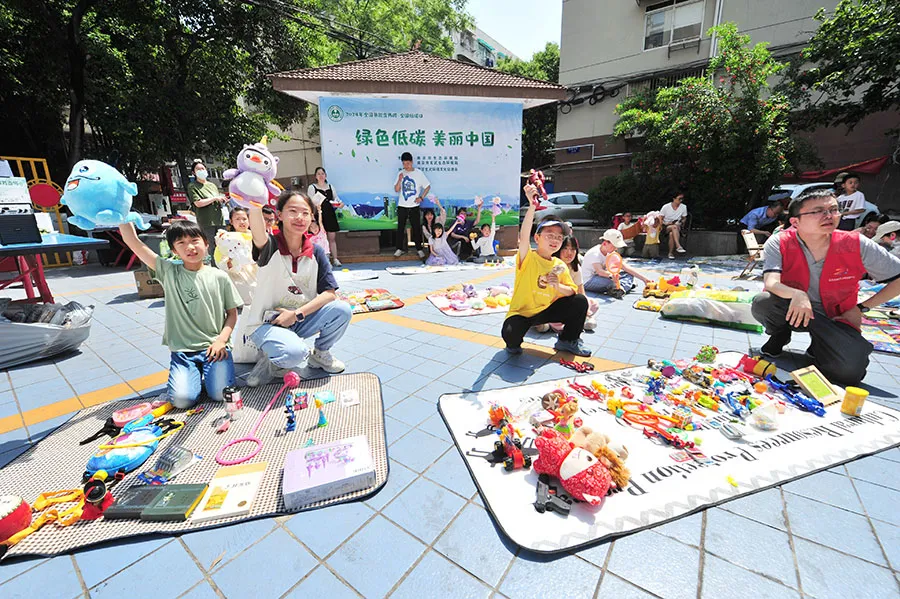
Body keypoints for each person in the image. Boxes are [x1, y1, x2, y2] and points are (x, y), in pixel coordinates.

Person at [751, 189, 900, 385]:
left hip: (836, 316)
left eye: (834, 210)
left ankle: (820, 346)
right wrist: (798, 294)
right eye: (818, 211)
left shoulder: (857, 244)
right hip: (793, 309)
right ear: (795, 222)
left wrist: (861, 308)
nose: (829, 216)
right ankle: (780, 334)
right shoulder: (780, 241)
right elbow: (771, 282)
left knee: (849, 372)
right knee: (763, 303)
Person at [118, 220, 241, 408]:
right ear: (174, 250)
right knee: (183, 400)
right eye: (181, 243)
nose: (189, 247)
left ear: (206, 243)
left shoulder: (220, 276)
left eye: (194, 240)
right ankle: (191, 379)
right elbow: (133, 242)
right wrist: (121, 216)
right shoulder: (168, 271)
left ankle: (203, 378)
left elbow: (232, 314)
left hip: (215, 348)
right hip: (183, 351)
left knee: (220, 395)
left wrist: (221, 341)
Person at [241, 190, 353, 386]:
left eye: (305, 212)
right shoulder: (270, 245)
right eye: (292, 211)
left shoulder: (316, 252)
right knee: (294, 353)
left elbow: (329, 294)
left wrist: (296, 314)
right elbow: (258, 232)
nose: (300, 217)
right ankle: (275, 357)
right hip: (265, 323)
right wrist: (255, 201)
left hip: (298, 319)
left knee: (342, 309)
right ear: (280, 215)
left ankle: (320, 354)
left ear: (311, 218)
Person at [501, 184, 590, 357]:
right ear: (537, 238)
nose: (555, 240)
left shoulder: (559, 264)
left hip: (547, 310)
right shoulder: (528, 258)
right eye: (549, 235)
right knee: (510, 336)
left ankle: (567, 340)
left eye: (559, 237)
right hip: (522, 313)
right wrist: (532, 206)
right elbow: (523, 236)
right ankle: (516, 339)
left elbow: (572, 291)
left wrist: (558, 286)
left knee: (580, 301)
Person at [582, 230, 652, 298]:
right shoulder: (594, 254)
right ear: (605, 243)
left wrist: (644, 279)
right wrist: (611, 276)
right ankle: (621, 287)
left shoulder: (611, 253)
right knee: (612, 282)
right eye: (614, 246)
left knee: (629, 274)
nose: (616, 249)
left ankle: (619, 288)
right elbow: (600, 271)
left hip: (603, 277)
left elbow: (625, 267)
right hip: (589, 280)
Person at [549, 236, 597, 331]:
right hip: (552, 302)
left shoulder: (575, 268)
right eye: (565, 248)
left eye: (573, 249)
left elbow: (581, 291)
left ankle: (580, 319)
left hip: (569, 301)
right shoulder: (552, 266)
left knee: (593, 303)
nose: (569, 253)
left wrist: (585, 308)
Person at [215, 207, 258, 305]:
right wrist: (230, 262)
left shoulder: (255, 236)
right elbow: (220, 257)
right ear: (231, 221)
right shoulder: (226, 238)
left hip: (255, 271)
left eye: (244, 219)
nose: (242, 222)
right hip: (237, 274)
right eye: (238, 219)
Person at [393, 151, 430, 258]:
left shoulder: (418, 173)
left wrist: (421, 197)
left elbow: (427, 186)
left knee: (416, 227)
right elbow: (396, 189)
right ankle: (399, 249)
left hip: (414, 206)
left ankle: (419, 249)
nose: (406, 166)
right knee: (400, 228)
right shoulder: (401, 173)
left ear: (412, 162)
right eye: (404, 163)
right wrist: (399, 180)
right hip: (402, 205)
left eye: (408, 163)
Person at [187, 161, 228, 254]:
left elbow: (217, 199)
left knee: (224, 245)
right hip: (206, 222)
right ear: (193, 172)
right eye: (198, 169)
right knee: (212, 247)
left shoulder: (212, 185)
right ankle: (213, 263)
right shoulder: (193, 186)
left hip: (219, 219)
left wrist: (222, 200)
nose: (201, 170)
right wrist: (214, 198)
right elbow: (198, 203)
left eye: (203, 168)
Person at [307, 167, 343, 267]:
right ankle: (320, 260)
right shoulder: (312, 187)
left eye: (322, 173)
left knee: (332, 238)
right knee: (318, 239)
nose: (321, 175)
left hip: (330, 214)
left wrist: (340, 204)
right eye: (318, 174)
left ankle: (335, 259)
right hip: (318, 215)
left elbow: (336, 199)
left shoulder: (331, 187)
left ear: (325, 175)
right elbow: (309, 202)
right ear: (315, 176)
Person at [660, 191, 688, 259]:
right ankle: (678, 246)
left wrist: (681, 222)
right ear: (674, 199)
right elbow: (660, 219)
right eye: (679, 199)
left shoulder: (683, 207)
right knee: (674, 227)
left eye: (682, 199)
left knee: (672, 233)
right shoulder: (666, 207)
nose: (681, 200)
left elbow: (684, 218)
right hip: (666, 226)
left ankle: (670, 253)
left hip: (677, 226)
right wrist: (666, 223)